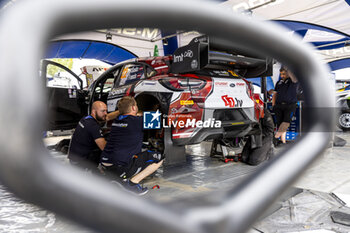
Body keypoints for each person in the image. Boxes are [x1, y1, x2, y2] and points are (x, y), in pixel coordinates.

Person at [100, 96, 164, 195]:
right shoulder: (138, 121)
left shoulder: (116, 121)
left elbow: (131, 115)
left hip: (105, 165)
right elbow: (159, 117)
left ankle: (117, 178)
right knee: (159, 157)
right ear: (134, 108)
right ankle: (132, 183)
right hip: (120, 167)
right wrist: (155, 109)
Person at [68, 101, 117, 172]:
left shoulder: (86, 118)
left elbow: (107, 117)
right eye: (103, 111)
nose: (105, 113)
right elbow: (104, 148)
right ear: (94, 112)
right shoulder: (93, 126)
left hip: (74, 158)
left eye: (106, 111)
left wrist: (120, 112)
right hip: (80, 164)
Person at [272, 67, 298, 145]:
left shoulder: (293, 81)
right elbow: (275, 94)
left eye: (283, 74)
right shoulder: (278, 82)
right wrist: (274, 105)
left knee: (286, 122)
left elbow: (293, 77)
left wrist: (288, 67)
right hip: (279, 106)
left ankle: (275, 137)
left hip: (290, 105)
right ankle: (283, 142)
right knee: (280, 125)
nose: (282, 76)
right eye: (281, 74)